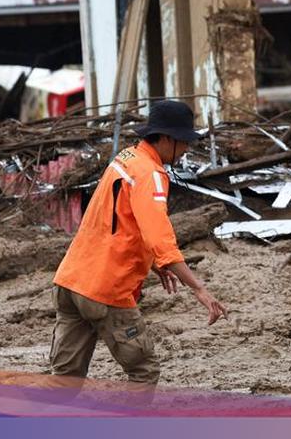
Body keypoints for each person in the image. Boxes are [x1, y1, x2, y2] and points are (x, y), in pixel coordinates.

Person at [49, 99, 228, 387]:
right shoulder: (152, 175)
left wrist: (155, 263)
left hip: (70, 282)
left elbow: (119, 222)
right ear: (167, 138)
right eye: (184, 142)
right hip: (106, 288)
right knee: (144, 372)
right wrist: (199, 289)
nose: (185, 150)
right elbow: (161, 238)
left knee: (64, 380)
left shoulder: (125, 159)